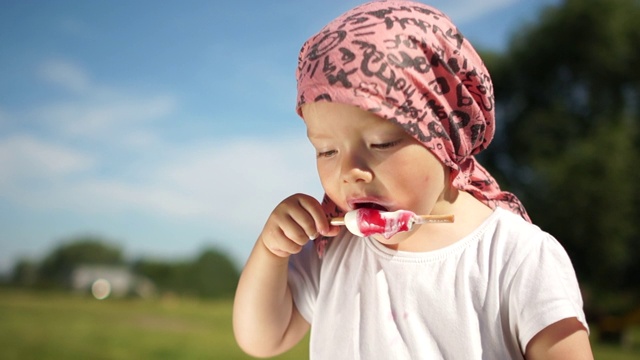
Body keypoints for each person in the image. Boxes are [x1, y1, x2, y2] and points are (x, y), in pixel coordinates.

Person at [233, 1, 593, 358]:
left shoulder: (518, 258)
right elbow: (263, 339)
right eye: (326, 151)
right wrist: (271, 252)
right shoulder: (334, 248)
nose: (348, 172)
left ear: (444, 133)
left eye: (381, 142)